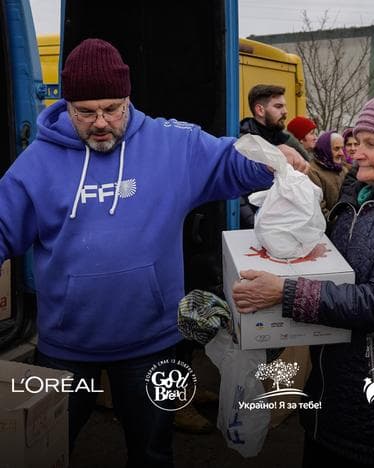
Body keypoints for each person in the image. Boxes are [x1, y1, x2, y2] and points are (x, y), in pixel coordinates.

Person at [0, 38, 307, 468]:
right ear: (66, 106)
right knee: (43, 449)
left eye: (113, 108)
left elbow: (229, 162)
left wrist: (275, 159)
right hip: (67, 345)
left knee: (152, 452)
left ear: (129, 98)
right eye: (86, 112)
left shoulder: (171, 144)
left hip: (151, 343)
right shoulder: (36, 163)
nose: (101, 122)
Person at [232, 91, 374, 467]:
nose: (355, 153)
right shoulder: (358, 193)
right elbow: (331, 266)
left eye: (371, 144)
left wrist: (284, 291)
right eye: (356, 141)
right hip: (332, 393)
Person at [239, 84, 310, 228]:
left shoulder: (285, 139)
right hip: (254, 227)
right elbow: (238, 193)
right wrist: (254, 222)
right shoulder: (243, 142)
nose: (285, 111)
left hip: (284, 224)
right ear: (260, 110)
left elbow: (307, 163)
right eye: (278, 106)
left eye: (284, 106)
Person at [307, 131, 347, 218]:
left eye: (342, 148)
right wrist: (336, 222)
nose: (341, 153)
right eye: (336, 149)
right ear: (325, 149)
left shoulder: (343, 170)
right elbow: (319, 207)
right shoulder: (312, 172)